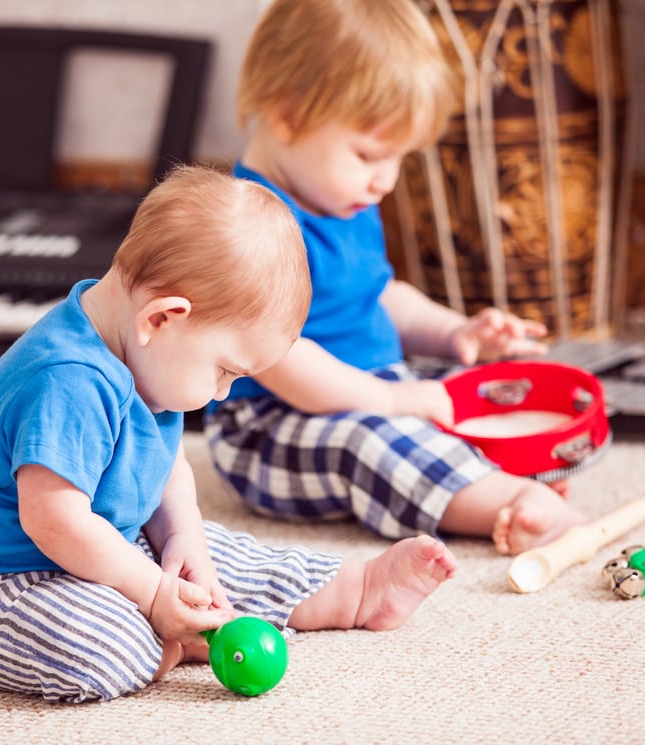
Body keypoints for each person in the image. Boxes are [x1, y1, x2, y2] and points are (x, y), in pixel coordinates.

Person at [0, 165, 457, 704]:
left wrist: (183, 540)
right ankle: (164, 637)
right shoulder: (68, 380)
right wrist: (150, 594)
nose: (221, 393)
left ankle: (354, 591)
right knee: (102, 644)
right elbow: (54, 520)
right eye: (224, 371)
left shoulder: (145, 356)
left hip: (98, 546)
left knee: (218, 560)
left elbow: (164, 465)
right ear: (162, 318)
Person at [205, 0, 586, 557]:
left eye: (398, 159)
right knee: (370, 441)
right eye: (368, 154)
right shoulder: (250, 226)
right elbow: (285, 363)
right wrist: (395, 399)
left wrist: (456, 332)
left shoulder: (345, 201)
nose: (385, 180)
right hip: (268, 423)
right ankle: (500, 504)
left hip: (367, 383)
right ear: (287, 115)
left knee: (459, 394)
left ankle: (484, 472)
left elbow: (380, 294)